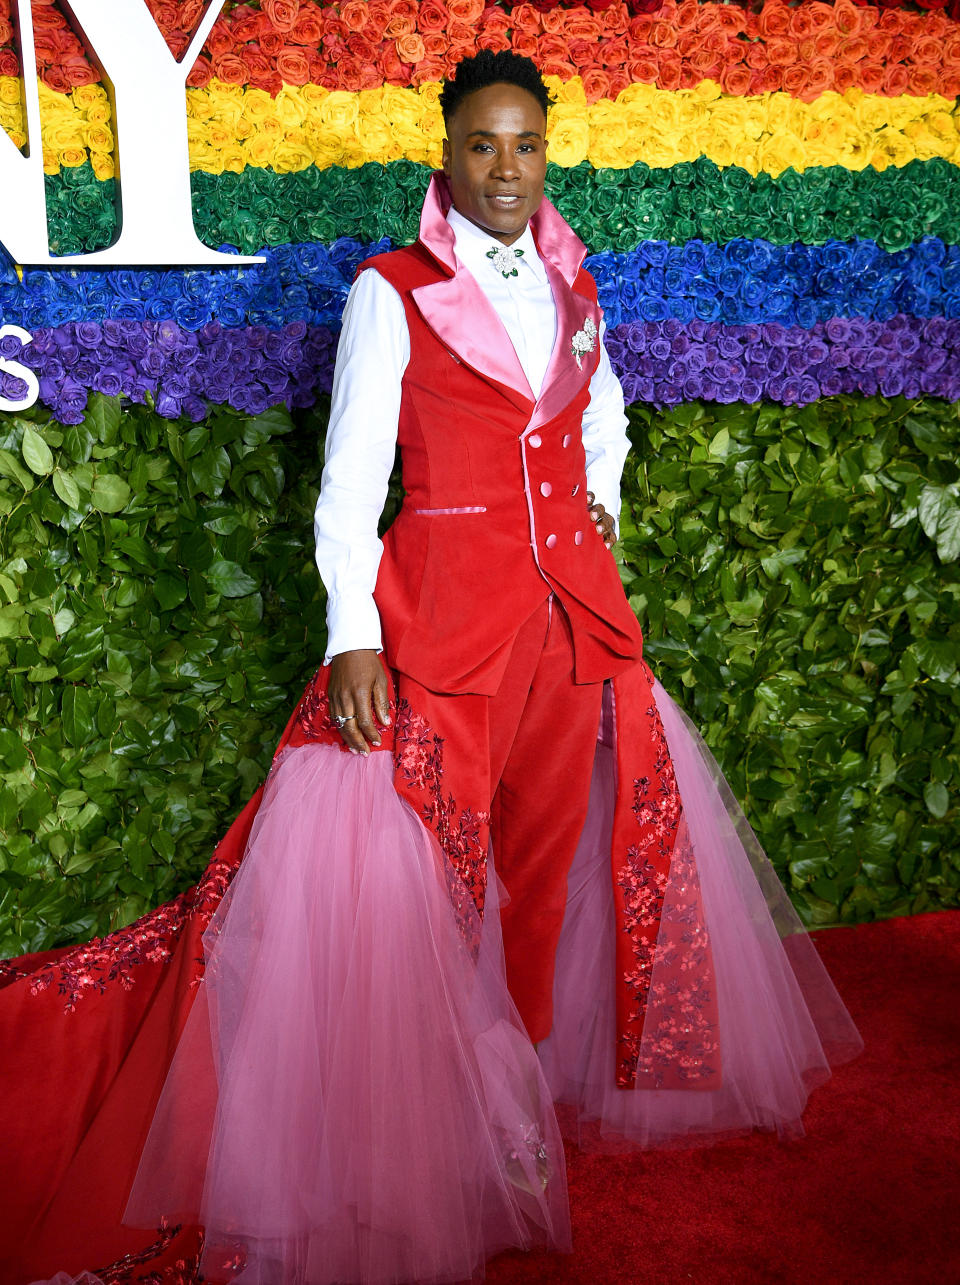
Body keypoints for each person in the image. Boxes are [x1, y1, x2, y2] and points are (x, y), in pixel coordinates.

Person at [11, 50, 863, 1285]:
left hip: (574, 627)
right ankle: (427, 1108)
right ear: (446, 155)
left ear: (545, 153)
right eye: (482, 145)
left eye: (526, 146)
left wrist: (595, 511)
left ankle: (511, 1098)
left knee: (546, 860)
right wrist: (352, 631)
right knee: (425, 882)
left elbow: (600, 417)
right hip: (442, 632)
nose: (506, 168)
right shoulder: (388, 289)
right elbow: (352, 474)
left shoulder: (578, 285)